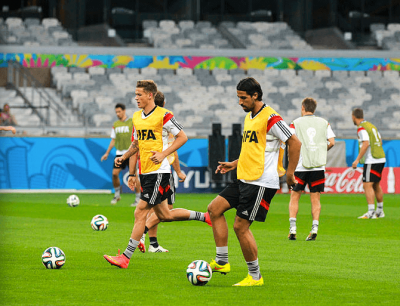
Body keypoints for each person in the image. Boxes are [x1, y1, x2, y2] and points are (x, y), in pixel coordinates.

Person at [104, 80, 211, 269]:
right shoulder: (137, 117)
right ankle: (204, 217)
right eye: (135, 94)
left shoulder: (165, 115)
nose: (135, 98)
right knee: (165, 215)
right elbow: (137, 143)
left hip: (159, 172)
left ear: (150, 95)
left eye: (139, 94)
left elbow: (183, 137)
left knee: (140, 211)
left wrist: (163, 154)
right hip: (145, 172)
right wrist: (124, 157)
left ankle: (126, 258)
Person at [207, 77, 301, 286]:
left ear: (255, 95)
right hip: (244, 176)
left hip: (261, 182)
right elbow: (254, 150)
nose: (240, 102)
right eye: (238, 98)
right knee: (214, 209)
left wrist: (290, 173)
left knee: (240, 226)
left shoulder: (272, 118)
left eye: (243, 98)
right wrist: (234, 163)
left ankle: (255, 276)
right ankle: (222, 261)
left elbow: (294, 142)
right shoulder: (250, 116)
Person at [128, 90, 188, 253]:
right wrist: (179, 171)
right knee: (165, 211)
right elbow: (172, 151)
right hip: (160, 171)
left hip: (149, 169)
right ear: (164, 104)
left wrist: (132, 173)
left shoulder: (144, 120)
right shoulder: (163, 122)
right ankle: (142, 235)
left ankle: (152, 243)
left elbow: (135, 147)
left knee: (157, 210)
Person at [287, 97, 335, 241]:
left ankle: (293, 229)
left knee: (295, 197)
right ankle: (314, 228)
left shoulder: (295, 123)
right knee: (315, 198)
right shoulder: (324, 123)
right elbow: (332, 142)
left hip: (301, 166)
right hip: (318, 166)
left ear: (303, 107)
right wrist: (320, 150)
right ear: (314, 109)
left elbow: (290, 141)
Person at [101, 103, 140, 206]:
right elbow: (113, 140)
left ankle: (138, 198)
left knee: (134, 176)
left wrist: (138, 151)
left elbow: (137, 138)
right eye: (116, 112)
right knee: (114, 174)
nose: (118, 114)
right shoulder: (116, 124)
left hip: (131, 153)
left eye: (119, 111)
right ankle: (117, 195)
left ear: (124, 111)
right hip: (119, 153)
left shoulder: (131, 122)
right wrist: (107, 153)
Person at [351, 108, 386, 219]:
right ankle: (380, 211)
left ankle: (371, 212)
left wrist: (357, 160)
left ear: (353, 117)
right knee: (376, 184)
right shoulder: (371, 126)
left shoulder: (361, 128)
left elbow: (366, 143)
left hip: (372, 159)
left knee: (367, 184)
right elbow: (380, 141)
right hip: (380, 158)